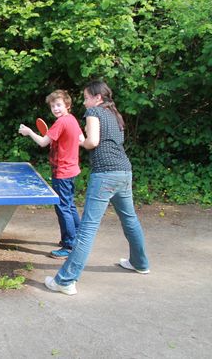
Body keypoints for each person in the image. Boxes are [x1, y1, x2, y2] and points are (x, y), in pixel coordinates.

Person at [45, 80, 150, 296]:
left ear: (97, 98)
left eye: (86, 98)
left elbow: (92, 142)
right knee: (129, 219)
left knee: (87, 228)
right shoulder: (115, 114)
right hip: (124, 171)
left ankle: (65, 280)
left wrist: (81, 141)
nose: (84, 102)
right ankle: (140, 263)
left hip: (105, 175)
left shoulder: (94, 112)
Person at [19, 89, 83, 259]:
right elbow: (81, 140)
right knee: (69, 204)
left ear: (67, 105)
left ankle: (69, 245)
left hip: (62, 171)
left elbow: (42, 143)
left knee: (63, 207)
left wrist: (29, 132)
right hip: (72, 169)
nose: (55, 108)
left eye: (59, 105)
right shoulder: (72, 120)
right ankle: (78, 237)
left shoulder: (61, 122)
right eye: (53, 106)